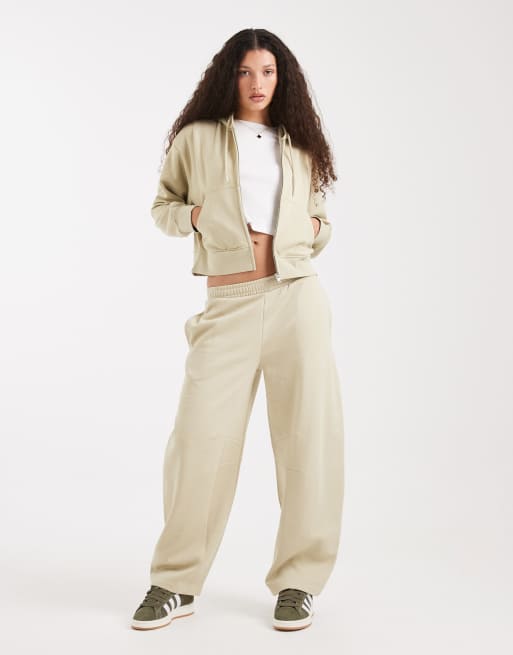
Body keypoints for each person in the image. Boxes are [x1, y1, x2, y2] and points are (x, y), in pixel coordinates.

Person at [131, 28, 345, 633]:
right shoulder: (197, 138)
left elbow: (320, 217)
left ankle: (299, 581)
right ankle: (176, 582)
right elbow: (163, 208)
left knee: (307, 440)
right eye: (247, 71)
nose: (257, 83)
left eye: (268, 72)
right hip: (227, 303)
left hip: (296, 298)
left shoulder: (299, 144)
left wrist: (311, 229)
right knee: (199, 440)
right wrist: (198, 215)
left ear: (283, 78)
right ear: (229, 75)